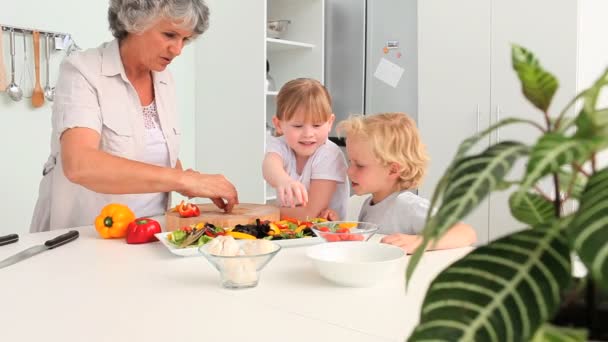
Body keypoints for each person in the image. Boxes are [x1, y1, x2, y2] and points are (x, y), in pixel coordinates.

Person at [30, 0, 239, 232]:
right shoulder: (83, 71)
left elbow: (151, 150)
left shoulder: (164, 79)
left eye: (185, 39)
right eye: (169, 35)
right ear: (135, 23)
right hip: (88, 237)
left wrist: (189, 181)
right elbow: (79, 165)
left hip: (150, 232)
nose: (178, 50)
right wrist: (183, 180)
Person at [321, 113, 476, 253]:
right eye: (350, 162)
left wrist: (420, 241)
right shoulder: (370, 203)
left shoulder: (407, 205)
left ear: (393, 170)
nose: (349, 171)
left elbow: (465, 232)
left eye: (359, 165)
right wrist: (337, 228)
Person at [262, 78, 349, 220]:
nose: (308, 134)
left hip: (326, 237)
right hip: (291, 231)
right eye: (297, 126)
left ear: (329, 123)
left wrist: (265, 214)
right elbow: (269, 166)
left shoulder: (329, 154)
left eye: (317, 125)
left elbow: (310, 215)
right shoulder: (280, 144)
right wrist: (283, 180)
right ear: (278, 125)